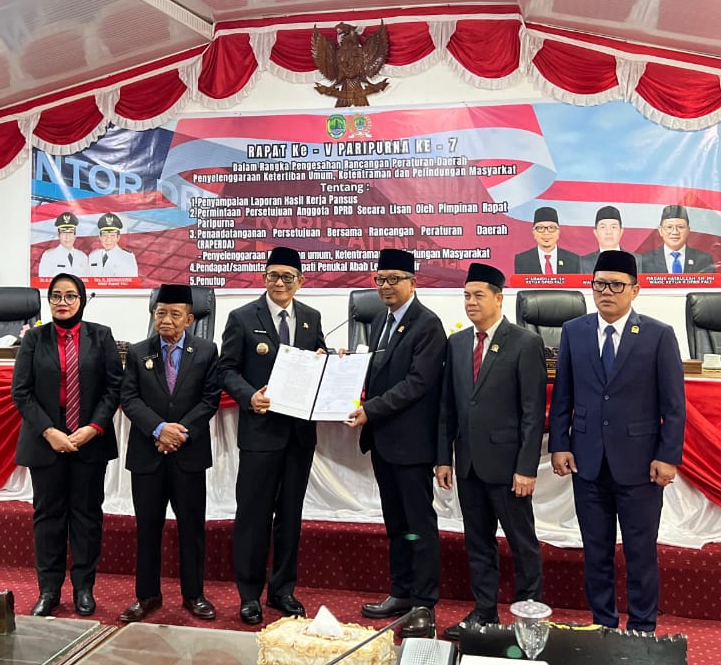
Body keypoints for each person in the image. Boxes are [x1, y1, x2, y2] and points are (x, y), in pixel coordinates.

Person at [549, 250, 685, 633]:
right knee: (596, 551)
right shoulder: (574, 331)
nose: (606, 292)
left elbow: (674, 405)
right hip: (587, 461)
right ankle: (603, 627)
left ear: (635, 290)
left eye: (616, 285)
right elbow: (563, 395)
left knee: (640, 553)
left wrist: (668, 456)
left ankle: (642, 628)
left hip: (640, 465)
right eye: (599, 284)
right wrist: (560, 443)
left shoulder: (658, 335)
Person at [436, 262, 547, 640]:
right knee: (478, 543)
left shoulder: (524, 343)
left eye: (478, 295)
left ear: (499, 299)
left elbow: (533, 413)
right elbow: (447, 407)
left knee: (522, 543)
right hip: (468, 464)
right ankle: (484, 612)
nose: (471, 302)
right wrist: (443, 458)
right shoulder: (457, 343)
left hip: (508, 467)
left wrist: (526, 468)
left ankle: (529, 617)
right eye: (466, 296)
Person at [218, 246, 326, 625]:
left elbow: (318, 361)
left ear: (300, 281)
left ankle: (282, 590)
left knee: (290, 516)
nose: (280, 283)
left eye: (287, 277)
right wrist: (249, 396)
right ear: (264, 278)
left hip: (299, 436)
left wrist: (332, 360)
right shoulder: (242, 317)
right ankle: (249, 595)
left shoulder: (311, 318)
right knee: (254, 516)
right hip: (261, 433)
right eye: (273, 276)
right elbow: (226, 370)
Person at [347, 249, 445, 640]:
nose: (385, 286)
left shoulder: (428, 325)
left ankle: (424, 602)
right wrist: (343, 366)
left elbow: (417, 384)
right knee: (397, 523)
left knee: (418, 525)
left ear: (412, 282)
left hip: (412, 443)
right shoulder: (380, 322)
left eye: (394, 279)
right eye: (380, 279)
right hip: (385, 441)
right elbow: (379, 372)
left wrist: (370, 410)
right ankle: (401, 591)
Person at [11, 272, 122, 618]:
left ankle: (84, 589)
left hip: (89, 438)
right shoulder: (35, 338)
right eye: (56, 296)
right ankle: (49, 590)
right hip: (46, 439)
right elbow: (22, 392)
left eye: (70, 296)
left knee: (87, 516)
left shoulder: (101, 336)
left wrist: (93, 427)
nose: (63, 302)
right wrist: (49, 431)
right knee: (48, 517)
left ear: (82, 300)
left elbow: (113, 388)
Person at [119, 283, 221, 623]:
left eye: (175, 314)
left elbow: (210, 399)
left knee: (192, 528)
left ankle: (194, 595)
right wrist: (159, 429)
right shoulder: (138, 352)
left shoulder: (206, 351)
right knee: (148, 528)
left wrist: (180, 432)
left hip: (188, 455)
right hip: (148, 454)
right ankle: (147, 595)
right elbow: (129, 397)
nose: (166, 319)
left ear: (189, 319)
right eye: (160, 313)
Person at [638, 204, 717, 274]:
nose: (675, 232)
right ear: (660, 230)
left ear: (688, 230)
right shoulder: (645, 260)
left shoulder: (703, 260)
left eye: (680, 227)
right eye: (669, 227)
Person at [513, 206, 581, 274]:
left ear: (558, 231)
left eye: (551, 228)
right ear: (533, 232)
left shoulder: (573, 260)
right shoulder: (522, 260)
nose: (546, 233)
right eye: (540, 228)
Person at [88, 213, 139, 278]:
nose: (108, 239)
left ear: (118, 237)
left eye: (112, 235)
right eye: (105, 235)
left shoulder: (127, 256)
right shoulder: (93, 256)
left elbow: (132, 282)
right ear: (100, 237)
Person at [579, 206, 625, 275]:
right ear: (595, 232)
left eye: (613, 227)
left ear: (621, 231)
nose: (608, 232)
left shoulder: (636, 260)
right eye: (603, 227)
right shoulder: (584, 262)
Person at [37, 212, 84, 276]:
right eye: (64, 232)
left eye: (70, 232)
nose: (67, 236)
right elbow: (44, 279)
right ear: (58, 234)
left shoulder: (82, 256)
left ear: (75, 235)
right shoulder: (49, 256)